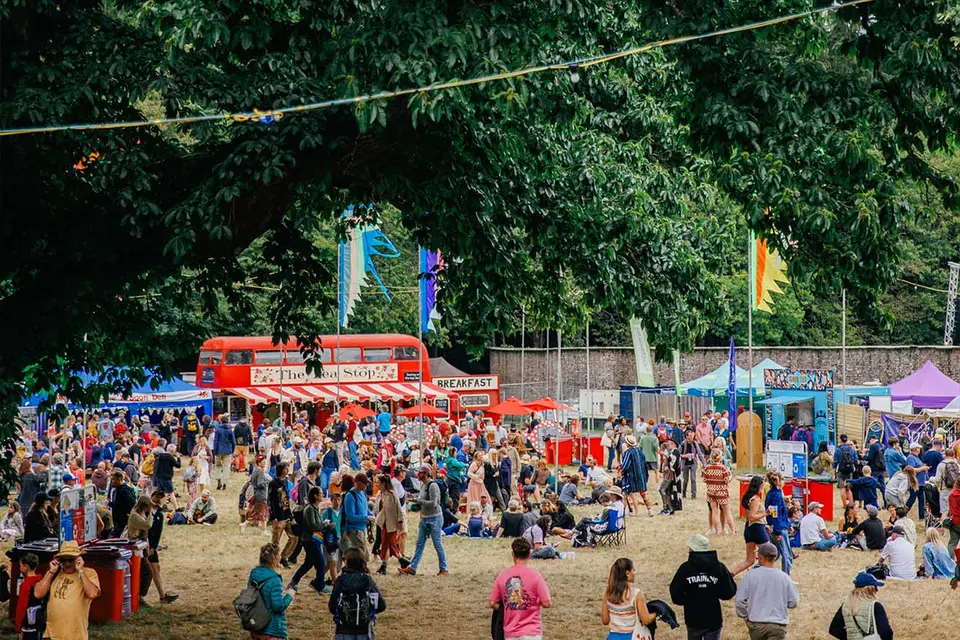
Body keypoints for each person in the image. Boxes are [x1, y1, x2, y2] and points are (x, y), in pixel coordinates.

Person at [669, 535, 737, 640]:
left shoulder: (685, 568)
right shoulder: (719, 567)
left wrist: (688, 599)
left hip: (693, 618)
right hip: (713, 617)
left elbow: (676, 593)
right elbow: (729, 591)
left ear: (692, 550)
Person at [33, 541, 101, 640]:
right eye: (63, 560)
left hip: (75, 636)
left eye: (71, 559)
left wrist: (81, 571)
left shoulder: (89, 573)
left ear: (78, 559)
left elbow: (92, 593)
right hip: (51, 635)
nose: (67, 563)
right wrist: (51, 571)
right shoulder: (55, 573)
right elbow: (38, 594)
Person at [489, 537, 552, 640]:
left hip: (510, 632)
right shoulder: (536, 576)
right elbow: (547, 603)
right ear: (529, 555)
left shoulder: (502, 576)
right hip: (532, 632)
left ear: (513, 554)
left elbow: (492, 603)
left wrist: (507, 605)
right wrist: (533, 603)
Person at [735, 542, 799, 640]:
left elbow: (739, 601)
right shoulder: (784, 577)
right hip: (778, 625)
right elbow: (794, 602)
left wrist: (745, 617)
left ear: (760, 557)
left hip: (756, 624)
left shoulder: (750, 576)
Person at [329, 547, 387, 640]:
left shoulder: (340, 581)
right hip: (364, 630)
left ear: (346, 562)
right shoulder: (368, 581)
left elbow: (332, 607)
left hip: (343, 629)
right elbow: (381, 605)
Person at [399, 465, 448, 576]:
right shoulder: (423, 485)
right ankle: (412, 568)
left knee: (437, 544)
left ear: (426, 474)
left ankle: (444, 568)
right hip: (424, 518)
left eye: (420, 473)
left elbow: (434, 503)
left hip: (435, 518)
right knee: (419, 544)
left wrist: (419, 501)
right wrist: (416, 504)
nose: (418, 475)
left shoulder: (432, 485)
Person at [601, 557, 657, 640]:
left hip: (613, 636)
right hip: (632, 636)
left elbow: (605, 620)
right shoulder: (636, 594)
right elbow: (646, 620)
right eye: (633, 570)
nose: (635, 573)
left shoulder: (608, 594)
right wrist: (657, 612)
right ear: (627, 573)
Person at [248, 543, 295, 639]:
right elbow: (278, 606)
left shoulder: (254, 574)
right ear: (275, 559)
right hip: (272, 630)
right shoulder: (274, 579)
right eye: (279, 555)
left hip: (256, 626)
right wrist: (290, 595)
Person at [828, 572, 894, 640]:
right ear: (869, 589)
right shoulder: (875, 606)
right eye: (875, 587)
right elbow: (886, 632)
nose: (877, 590)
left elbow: (834, 629)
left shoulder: (846, 605)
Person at [289, 486, 327, 595]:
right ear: (315, 496)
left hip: (313, 540)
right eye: (321, 493)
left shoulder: (315, 508)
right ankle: (319, 586)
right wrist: (324, 524)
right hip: (310, 541)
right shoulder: (310, 509)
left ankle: (293, 582)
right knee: (321, 564)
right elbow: (313, 525)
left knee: (308, 564)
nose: (323, 495)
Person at [732, 476, 769, 575]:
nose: (763, 486)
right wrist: (766, 513)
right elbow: (752, 517)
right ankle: (766, 575)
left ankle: (730, 574)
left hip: (749, 529)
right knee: (769, 553)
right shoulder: (755, 499)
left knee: (749, 560)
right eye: (762, 484)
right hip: (757, 529)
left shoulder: (747, 498)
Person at [146, 490, 179, 603]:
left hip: (151, 546)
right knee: (149, 571)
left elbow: (157, 533)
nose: (157, 499)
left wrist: (153, 546)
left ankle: (162, 596)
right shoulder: (145, 511)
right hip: (143, 544)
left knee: (156, 569)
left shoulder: (159, 515)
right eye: (155, 497)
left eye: (160, 498)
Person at [374, 474, 404, 574]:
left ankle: (384, 566)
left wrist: (400, 521)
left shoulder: (391, 494)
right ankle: (402, 561)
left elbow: (398, 508)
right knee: (388, 544)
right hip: (383, 523)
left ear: (384, 484)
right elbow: (377, 508)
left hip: (391, 522)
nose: (377, 485)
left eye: (379, 483)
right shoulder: (379, 494)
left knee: (388, 543)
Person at [764, 471, 792, 574]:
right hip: (778, 528)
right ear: (778, 482)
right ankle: (786, 576)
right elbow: (775, 514)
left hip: (780, 526)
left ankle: (760, 568)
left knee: (777, 554)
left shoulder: (778, 492)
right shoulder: (775, 495)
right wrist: (778, 531)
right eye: (783, 479)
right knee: (786, 554)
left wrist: (788, 524)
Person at [620, 435, 653, 517]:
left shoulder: (628, 452)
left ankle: (632, 511)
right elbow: (645, 465)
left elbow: (625, 466)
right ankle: (650, 510)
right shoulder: (640, 452)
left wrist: (621, 471)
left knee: (628, 494)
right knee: (643, 494)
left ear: (627, 444)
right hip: (641, 476)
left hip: (631, 477)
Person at [702, 450, 733, 535]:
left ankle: (717, 531)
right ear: (720, 457)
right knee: (727, 512)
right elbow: (727, 480)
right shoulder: (723, 468)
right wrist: (731, 476)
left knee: (714, 512)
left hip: (711, 492)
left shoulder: (707, 468)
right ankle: (732, 530)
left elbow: (704, 479)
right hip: (722, 493)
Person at [342, 473, 370, 560]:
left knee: (365, 555)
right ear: (357, 482)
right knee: (362, 556)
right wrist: (366, 518)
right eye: (364, 483)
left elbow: (366, 509)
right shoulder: (350, 496)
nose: (366, 485)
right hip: (354, 530)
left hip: (362, 529)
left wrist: (371, 515)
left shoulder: (363, 494)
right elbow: (350, 517)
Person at [15, 552, 42, 639]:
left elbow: (22, 606)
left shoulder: (25, 585)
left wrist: (18, 625)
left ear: (26, 567)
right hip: (39, 620)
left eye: (20, 566)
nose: (20, 568)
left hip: (27, 623)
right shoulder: (41, 580)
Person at [247, 455, 271, 535]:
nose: (265, 464)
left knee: (256, 513)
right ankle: (264, 531)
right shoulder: (260, 471)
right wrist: (267, 482)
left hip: (256, 494)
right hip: (261, 495)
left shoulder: (255, 470)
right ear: (259, 463)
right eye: (263, 462)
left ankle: (244, 524)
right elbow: (260, 483)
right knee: (263, 514)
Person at [679, 430, 704, 499]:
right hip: (685, 464)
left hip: (693, 463)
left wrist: (704, 464)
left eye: (692, 436)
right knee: (685, 480)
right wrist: (685, 456)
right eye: (689, 436)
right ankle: (683, 492)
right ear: (686, 436)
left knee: (693, 479)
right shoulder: (683, 444)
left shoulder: (695, 444)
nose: (690, 437)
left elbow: (699, 454)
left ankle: (693, 495)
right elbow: (678, 454)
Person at [213, 415, 236, 491]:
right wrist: (232, 450)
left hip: (219, 450)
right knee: (226, 467)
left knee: (218, 466)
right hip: (227, 450)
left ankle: (219, 480)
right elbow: (233, 442)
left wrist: (215, 451)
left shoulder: (218, 430)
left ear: (221, 421)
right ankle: (225, 483)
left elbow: (215, 441)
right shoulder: (230, 430)